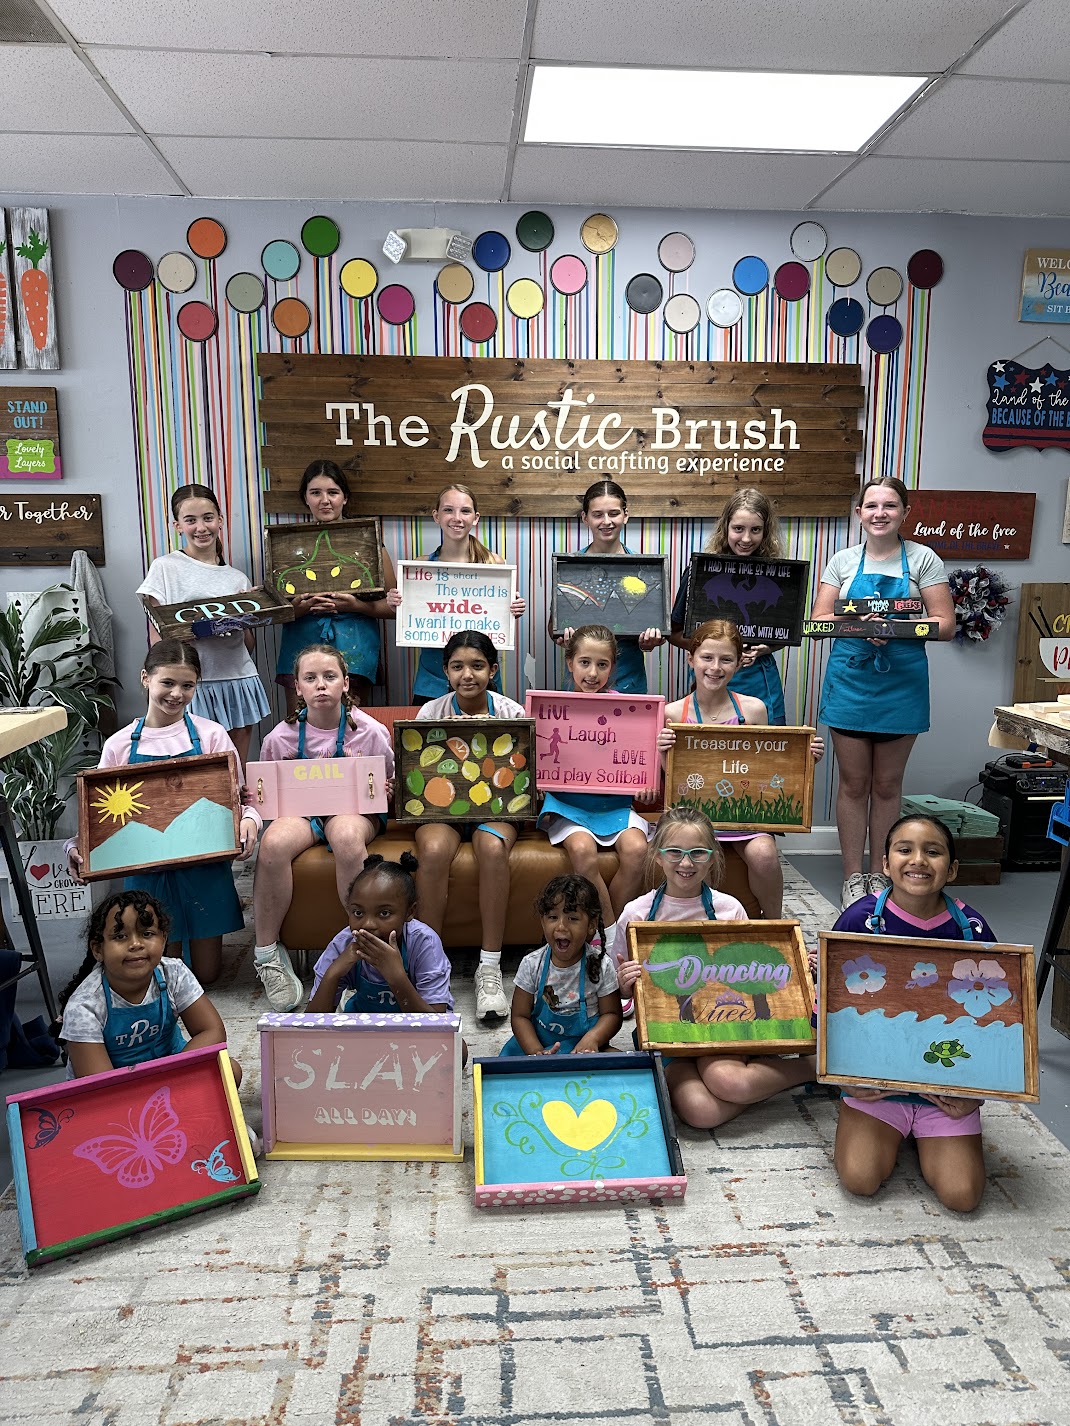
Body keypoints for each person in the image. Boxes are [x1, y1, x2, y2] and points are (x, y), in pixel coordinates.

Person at [66, 641, 260, 986]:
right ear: (146, 678)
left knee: (206, 976)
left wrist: (249, 821)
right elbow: (98, 818)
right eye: (167, 683)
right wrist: (75, 848)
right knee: (162, 975)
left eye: (188, 685)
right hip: (148, 873)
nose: (177, 694)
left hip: (204, 870)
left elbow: (240, 803)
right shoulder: (120, 745)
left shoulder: (211, 735)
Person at [831, 814, 994, 1213]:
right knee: (860, 1179)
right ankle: (886, 1128)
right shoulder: (858, 921)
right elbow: (829, 1008)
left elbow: (996, 1019)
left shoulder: (972, 928)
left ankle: (928, 1133)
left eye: (933, 851)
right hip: (877, 1086)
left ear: (952, 869)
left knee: (962, 1197)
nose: (918, 860)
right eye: (904, 850)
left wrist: (976, 1096)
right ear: (885, 864)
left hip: (945, 1090)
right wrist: (847, 1081)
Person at [809, 476, 955, 909]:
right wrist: (859, 625)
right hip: (851, 681)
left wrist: (894, 628)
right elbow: (819, 622)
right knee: (854, 785)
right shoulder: (842, 562)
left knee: (889, 786)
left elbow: (944, 625)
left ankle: (883, 873)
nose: (880, 513)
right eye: (871, 505)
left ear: (905, 513)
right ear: (859, 514)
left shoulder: (924, 560)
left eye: (890, 505)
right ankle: (854, 877)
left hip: (902, 683)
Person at [252, 644, 394, 1012]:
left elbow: (389, 783)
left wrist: (389, 789)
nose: (321, 685)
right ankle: (267, 954)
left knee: (347, 837)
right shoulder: (278, 738)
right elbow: (269, 798)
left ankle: (363, 949)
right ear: (296, 687)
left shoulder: (372, 732)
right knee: (273, 843)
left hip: (353, 812)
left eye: (330, 677)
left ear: (346, 683)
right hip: (302, 813)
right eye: (310, 678)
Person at [659, 620, 824, 918]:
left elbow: (773, 766)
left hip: (744, 818)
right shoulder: (672, 713)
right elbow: (671, 778)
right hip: (693, 818)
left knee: (764, 855)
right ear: (691, 658)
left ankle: (774, 926)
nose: (715, 667)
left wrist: (803, 759)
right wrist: (663, 751)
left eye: (726, 660)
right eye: (707, 658)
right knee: (698, 862)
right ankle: (707, 927)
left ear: (739, 663)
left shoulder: (754, 710)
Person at [412, 630, 527, 1023]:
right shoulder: (430, 712)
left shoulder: (512, 713)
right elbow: (415, 771)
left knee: (492, 848)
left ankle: (490, 967)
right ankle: (427, 966)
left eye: (477, 666)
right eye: (458, 666)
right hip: (442, 813)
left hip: (497, 810)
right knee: (432, 851)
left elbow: (526, 772)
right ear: (445, 671)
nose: (468, 675)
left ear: (492, 670)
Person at [137, 483, 270, 767]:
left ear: (220, 520)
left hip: (237, 678)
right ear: (177, 525)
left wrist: (252, 611)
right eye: (191, 520)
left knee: (235, 769)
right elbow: (157, 637)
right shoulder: (165, 567)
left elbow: (247, 644)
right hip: (193, 683)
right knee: (196, 766)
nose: (201, 527)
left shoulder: (237, 578)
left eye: (208, 518)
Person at [536, 625, 655, 941]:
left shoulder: (628, 709)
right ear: (569, 663)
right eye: (585, 662)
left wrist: (645, 780)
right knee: (583, 852)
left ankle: (608, 929)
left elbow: (639, 756)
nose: (593, 672)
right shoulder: (552, 708)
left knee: (637, 851)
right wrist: (535, 777)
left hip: (614, 804)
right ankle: (614, 938)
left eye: (602, 664)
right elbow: (537, 755)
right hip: (568, 806)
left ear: (613, 667)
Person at [59, 889, 242, 1085]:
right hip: (116, 1092)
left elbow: (212, 1031)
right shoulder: (84, 1007)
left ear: (163, 939)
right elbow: (99, 1085)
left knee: (230, 1071)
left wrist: (169, 1079)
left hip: (173, 1071)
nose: (136, 944)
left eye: (147, 934)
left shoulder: (174, 973)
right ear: (98, 950)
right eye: (120, 937)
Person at [386, 483, 526, 703]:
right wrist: (396, 603)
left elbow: (499, 618)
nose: (457, 517)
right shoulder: (419, 567)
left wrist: (512, 610)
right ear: (436, 516)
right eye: (448, 510)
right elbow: (409, 616)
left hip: (480, 679)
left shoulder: (494, 564)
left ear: (476, 517)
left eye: (465, 511)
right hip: (431, 680)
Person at [275, 459, 397, 710]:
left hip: (355, 649)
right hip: (299, 648)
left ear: (345, 498)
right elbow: (273, 613)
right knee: (300, 729)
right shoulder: (284, 549)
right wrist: (302, 608)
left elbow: (395, 607)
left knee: (351, 731)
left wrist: (357, 606)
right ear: (305, 498)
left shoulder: (370, 546)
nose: (325, 500)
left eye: (332, 492)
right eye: (316, 493)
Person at [612, 805, 746, 1016]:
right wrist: (623, 985)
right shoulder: (635, 915)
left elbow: (747, 979)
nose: (686, 862)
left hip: (721, 1022)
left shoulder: (731, 910)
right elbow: (616, 992)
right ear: (657, 855)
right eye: (674, 851)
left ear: (712, 857)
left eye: (698, 852)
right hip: (658, 1028)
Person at [669, 487, 788, 724]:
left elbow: (783, 633)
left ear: (765, 532)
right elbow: (674, 633)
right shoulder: (699, 573)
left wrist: (766, 649)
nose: (746, 539)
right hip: (711, 676)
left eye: (755, 530)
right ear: (726, 528)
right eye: (738, 529)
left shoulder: (779, 575)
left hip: (759, 678)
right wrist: (717, 651)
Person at [307, 852, 455, 1019]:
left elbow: (438, 1026)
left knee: (460, 1045)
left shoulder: (423, 942)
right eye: (358, 912)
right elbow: (310, 1025)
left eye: (384, 913)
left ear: (410, 912)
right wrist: (334, 973)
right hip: (364, 1028)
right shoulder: (344, 944)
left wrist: (396, 976)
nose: (368, 924)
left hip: (414, 1035)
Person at [550, 479, 664, 695]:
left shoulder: (645, 572)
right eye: (597, 514)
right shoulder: (571, 569)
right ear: (585, 518)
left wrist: (651, 641)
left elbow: (656, 624)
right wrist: (563, 636)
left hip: (629, 680)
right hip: (583, 683)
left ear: (625, 515)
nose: (606, 521)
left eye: (613, 513)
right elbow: (553, 626)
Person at [501, 874, 623, 1055]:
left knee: (617, 1060)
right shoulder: (532, 964)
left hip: (582, 1048)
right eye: (552, 917)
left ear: (591, 925)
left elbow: (612, 1015)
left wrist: (593, 1039)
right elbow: (520, 1017)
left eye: (572, 918)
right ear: (542, 921)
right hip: (538, 1043)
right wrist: (535, 1052)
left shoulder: (601, 965)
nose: (561, 926)